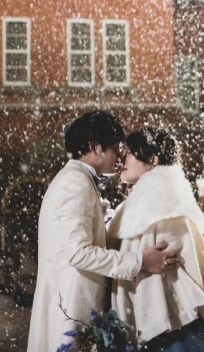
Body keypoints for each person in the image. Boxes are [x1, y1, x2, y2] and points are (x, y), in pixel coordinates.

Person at [27, 111, 177, 352]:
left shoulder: (77, 180)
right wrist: (139, 261)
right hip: (73, 307)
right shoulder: (75, 183)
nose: (120, 156)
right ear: (96, 148)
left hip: (73, 303)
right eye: (116, 148)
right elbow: (79, 253)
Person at [107, 126, 204, 351]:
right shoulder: (148, 203)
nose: (124, 157)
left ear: (152, 159)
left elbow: (180, 268)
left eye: (131, 152)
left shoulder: (161, 205)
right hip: (163, 324)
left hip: (172, 326)